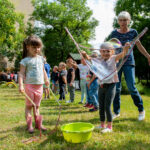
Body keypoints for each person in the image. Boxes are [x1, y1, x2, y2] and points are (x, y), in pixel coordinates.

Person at [82, 39, 130, 133]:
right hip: (102, 85)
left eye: (108, 51)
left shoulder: (113, 58)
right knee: (101, 106)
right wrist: (84, 54)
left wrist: (126, 48)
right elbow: (88, 58)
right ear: (100, 52)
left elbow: (123, 54)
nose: (106, 53)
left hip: (111, 85)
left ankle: (109, 127)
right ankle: (102, 124)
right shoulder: (98, 59)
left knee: (107, 106)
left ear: (112, 52)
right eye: (103, 51)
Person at [109, 11, 150, 120]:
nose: (123, 22)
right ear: (118, 21)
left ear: (129, 21)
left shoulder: (133, 32)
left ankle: (141, 110)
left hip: (129, 62)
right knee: (116, 88)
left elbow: (139, 46)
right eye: (121, 20)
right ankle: (116, 112)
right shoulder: (114, 33)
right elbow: (112, 48)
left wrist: (148, 56)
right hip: (117, 62)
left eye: (125, 20)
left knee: (131, 87)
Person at [18, 35, 49, 133]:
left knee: (37, 106)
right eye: (34, 47)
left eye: (38, 47)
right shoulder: (25, 61)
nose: (37, 49)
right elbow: (21, 74)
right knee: (29, 106)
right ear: (28, 47)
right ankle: (29, 125)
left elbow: (43, 70)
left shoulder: (41, 59)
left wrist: (46, 79)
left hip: (39, 86)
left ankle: (38, 124)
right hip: (30, 86)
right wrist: (21, 85)